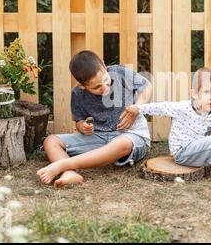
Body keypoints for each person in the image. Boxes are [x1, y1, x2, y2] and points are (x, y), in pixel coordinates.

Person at [37, 50, 152, 187]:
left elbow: (146, 87)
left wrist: (136, 108)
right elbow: (79, 121)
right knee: (51, 141)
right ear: (82, 85)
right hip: (99, 138)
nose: (104, 88)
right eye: (96, 87)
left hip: (131, 135)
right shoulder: (78, 93)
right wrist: (83, 127)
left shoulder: (121, 72)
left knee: (122, 144)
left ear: (104, 65)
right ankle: (69, 173)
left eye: (105, 80)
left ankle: (62, 165)